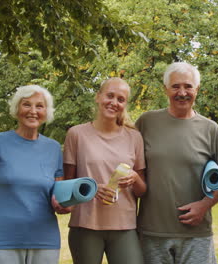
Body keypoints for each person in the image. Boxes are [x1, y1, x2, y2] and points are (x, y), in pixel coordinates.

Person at [135, 62, 218, 264]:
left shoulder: (210, 129)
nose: (182, 92)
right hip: (153, 232)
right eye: (175, 86)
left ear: (197, 89)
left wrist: (204, 205)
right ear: (165, 89)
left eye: (188, 86)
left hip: (196, 234)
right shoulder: (146, 122)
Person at [63, 77, 147, 264]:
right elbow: (66, 188)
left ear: (125, 104)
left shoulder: (134, 137)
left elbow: (142, 190)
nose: (114, 102)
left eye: (120, 99)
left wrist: (135, 177)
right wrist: (92, 189)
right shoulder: (76, 134)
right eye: (110, 96)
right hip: (85, 225)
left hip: (125, 226)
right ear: (98, 97)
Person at [0, 85, 68, 264]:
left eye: (39, 106)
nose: (33, 111)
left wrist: (65, 205)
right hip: (2, 240)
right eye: (27, 105)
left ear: (46, 112)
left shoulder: (54, 148)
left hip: (45, 241)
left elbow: (59, 196)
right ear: (17, 109)